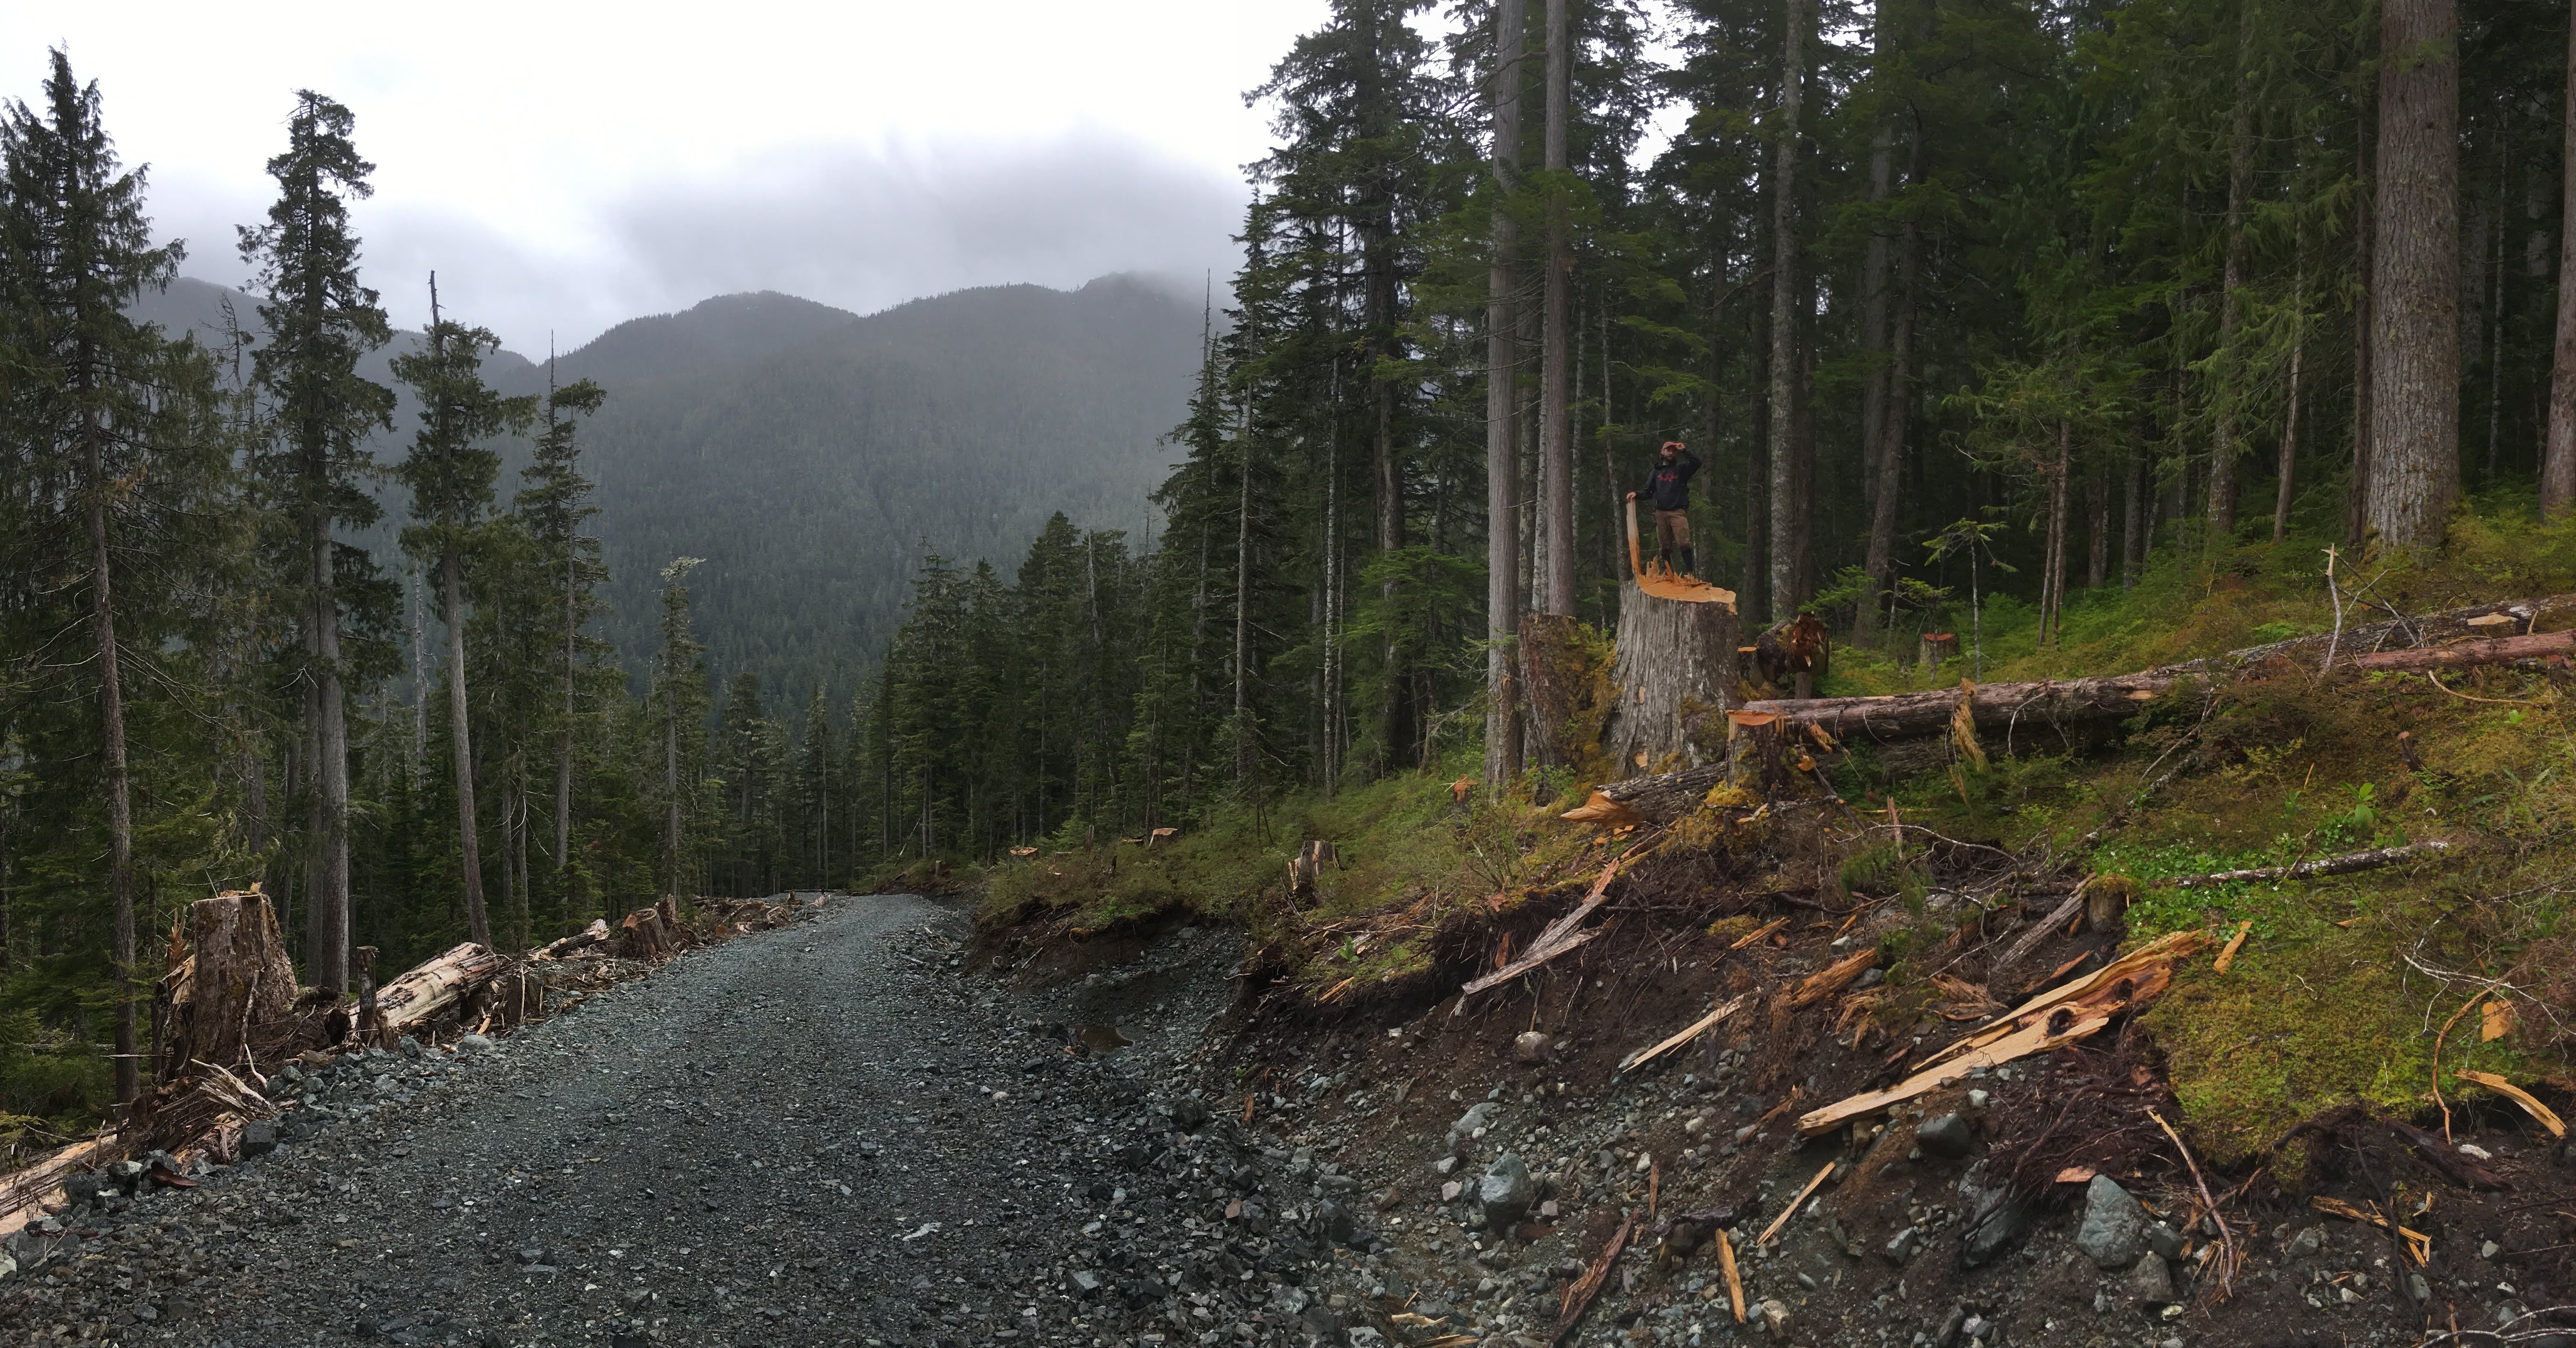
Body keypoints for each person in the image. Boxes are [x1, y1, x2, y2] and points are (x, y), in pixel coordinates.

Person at [1627, 440, 1701, 577]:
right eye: (1669, 450)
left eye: (1674, 451)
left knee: (1684, 543)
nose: (1671, 453)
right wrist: (1636, 494)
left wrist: (1684, 450)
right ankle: (1669, 574)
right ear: (1663, 452)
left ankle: (1691, 574)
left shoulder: (1681, 470)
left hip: (1678, 511)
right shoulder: (1656, 472)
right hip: (1661, 513)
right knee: (1665, 547)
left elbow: (1697, 463)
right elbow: (1649, 492)